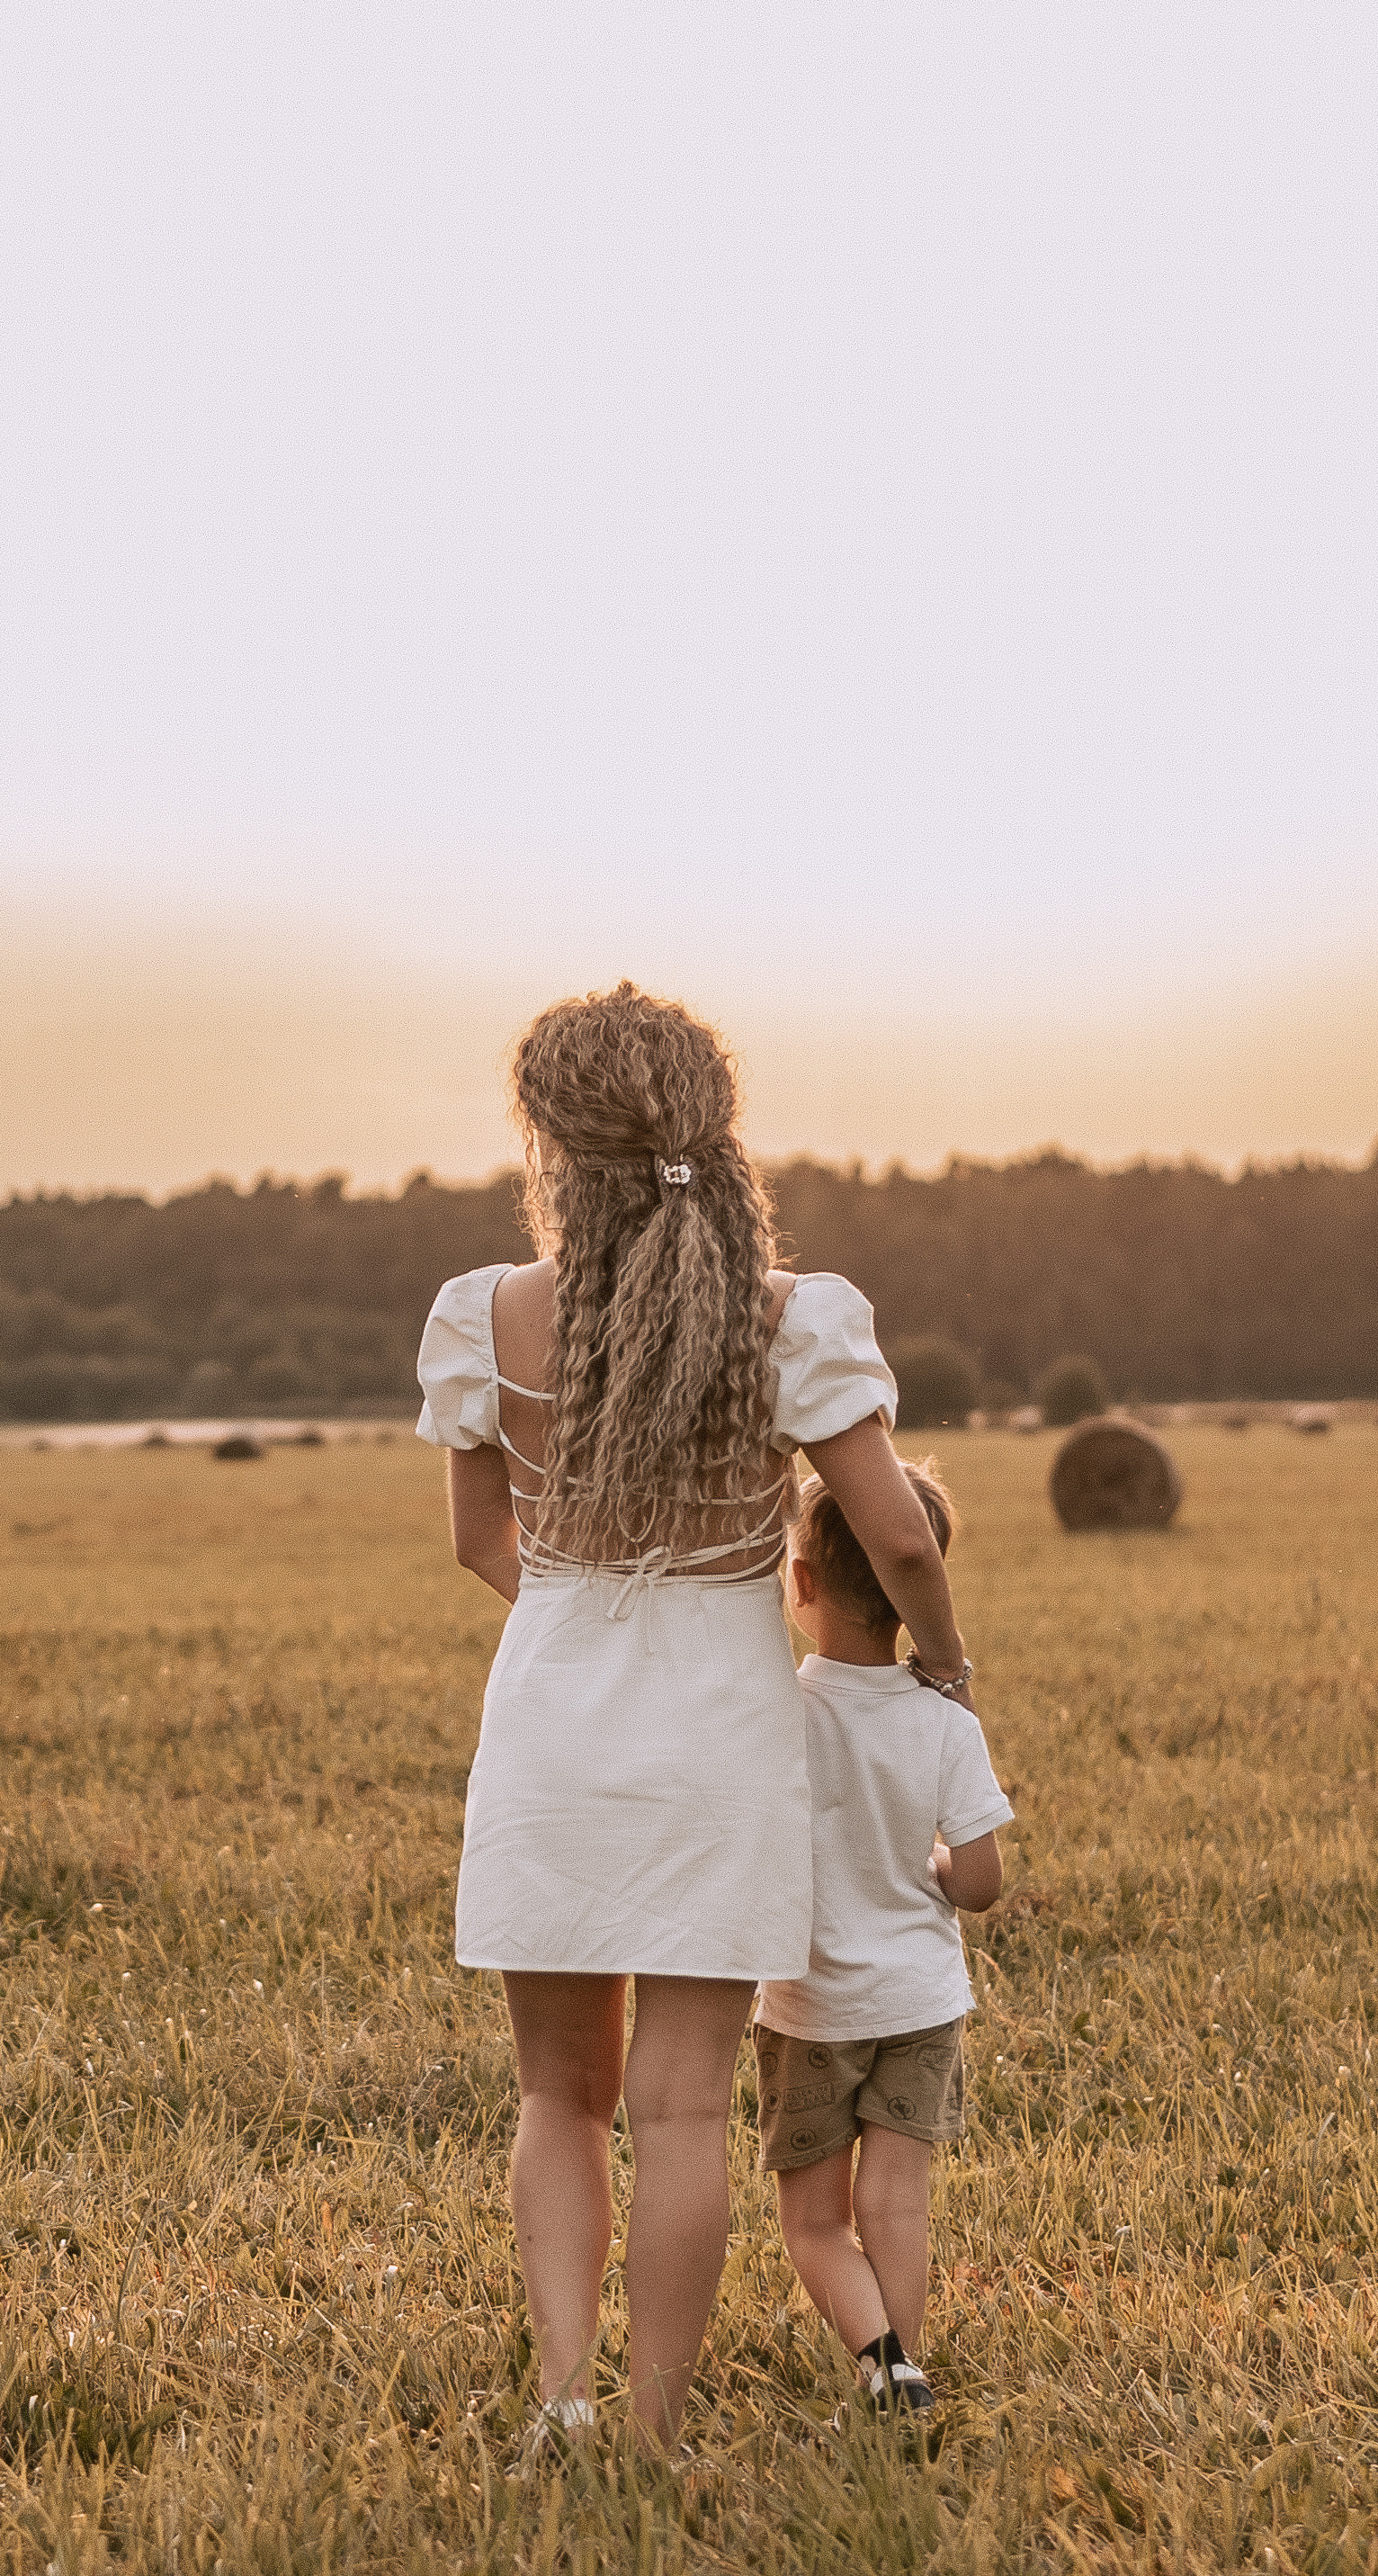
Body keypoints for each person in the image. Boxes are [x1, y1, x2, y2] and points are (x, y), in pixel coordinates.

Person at [415, 983, 975, 2452]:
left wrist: (584, 1633)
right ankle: (657, 2429)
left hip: (553, 1731)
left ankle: (564, 2399)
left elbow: (483, 1541)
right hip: (723, 1746)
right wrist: (949, 1665)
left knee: (556, 2092)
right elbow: (898, 1540)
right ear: (711, 1132)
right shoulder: (796, 1317)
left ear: (550, 1144)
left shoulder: (486, 1311)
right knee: (675, 2112)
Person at [753, 1459, 1013, 2422]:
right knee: (897, 2203)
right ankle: (904, 2377)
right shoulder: (945, 1719)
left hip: (810, 2004)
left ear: (802, 1582)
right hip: (920, 2001)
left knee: (815, 2220)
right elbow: (981, 1883)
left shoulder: (773, 1707)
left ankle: (881, 2359)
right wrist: (932, 1868)